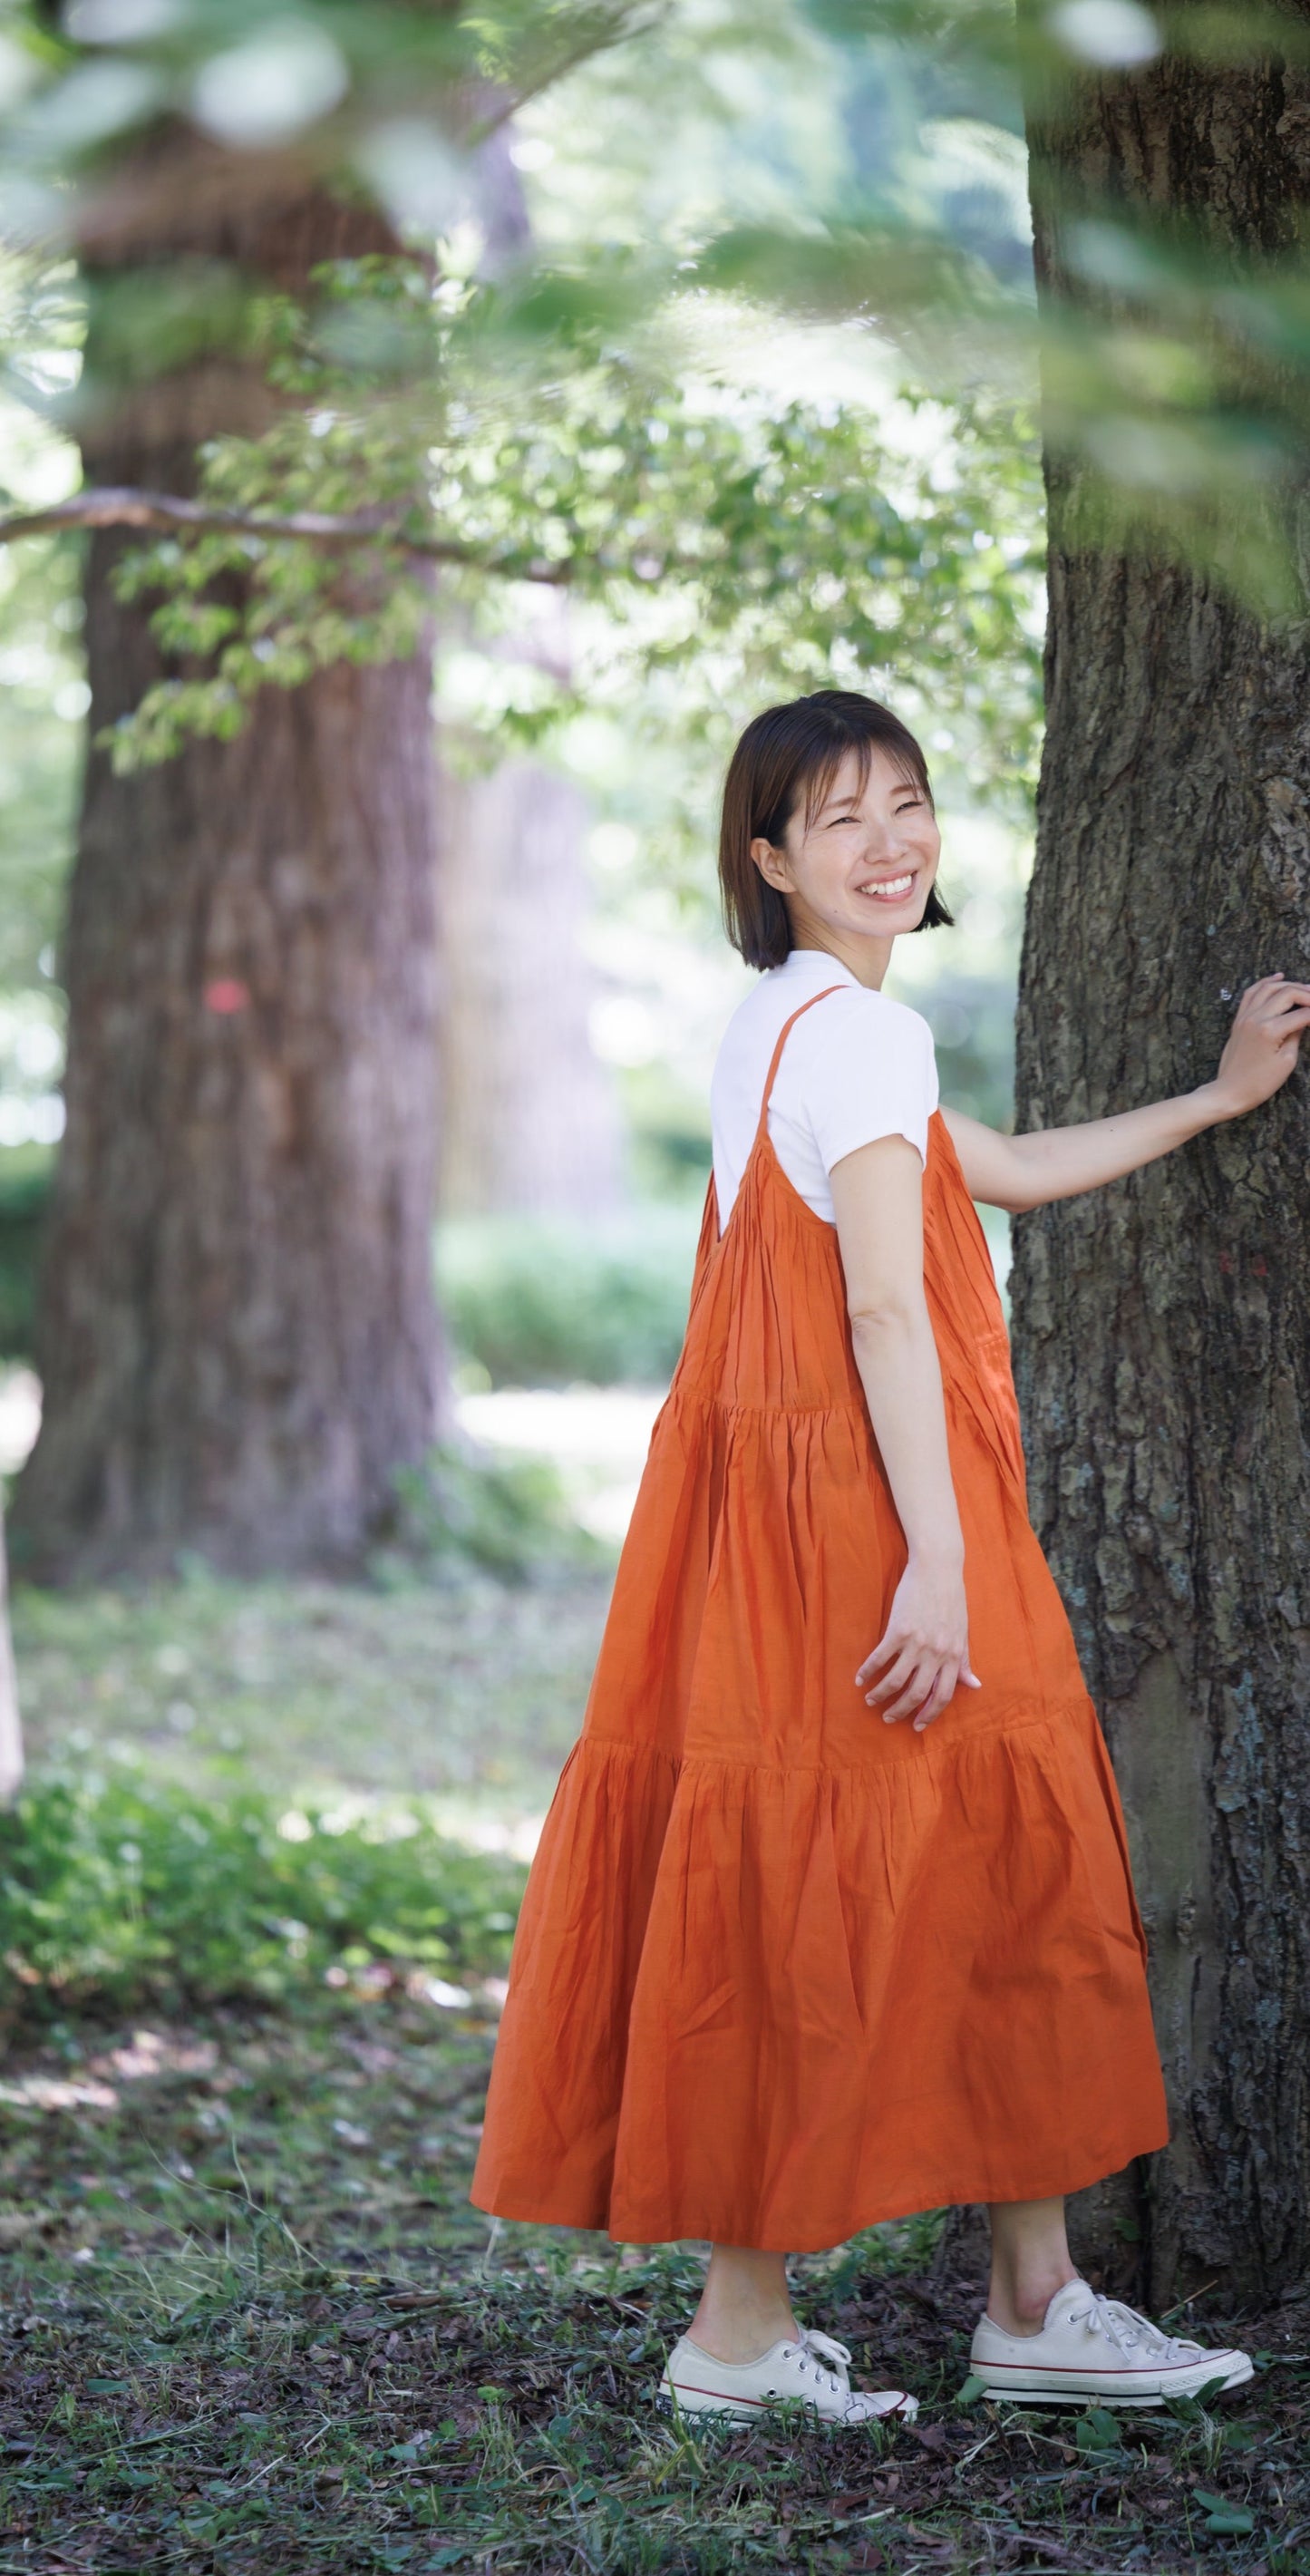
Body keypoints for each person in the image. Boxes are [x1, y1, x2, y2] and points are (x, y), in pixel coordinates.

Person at [471, 688, 1310, 2425]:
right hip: (877, 1521)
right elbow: (875, 1305)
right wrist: (936, 1557)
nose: (888, 842)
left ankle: (790, 2320)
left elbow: (988, 1172)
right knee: (984, 1866)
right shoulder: (855, 1034)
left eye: (907, 804)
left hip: (776, 1535)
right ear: (769, 859)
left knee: (824, 1883)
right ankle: (1002, 2301)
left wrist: (1214, 1099)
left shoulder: (788, 1022)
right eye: (839, 818)